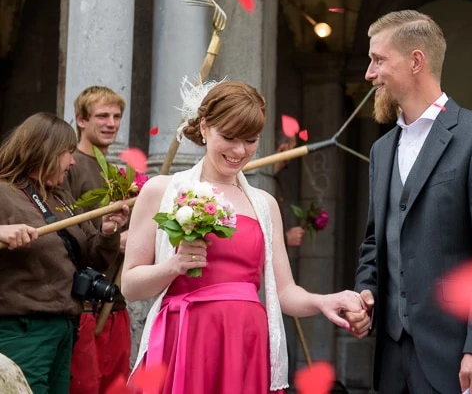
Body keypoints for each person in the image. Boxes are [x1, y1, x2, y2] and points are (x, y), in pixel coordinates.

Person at [121, 80, 364, 393]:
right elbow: (129, 286)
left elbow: (285, 292)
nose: (239, 151)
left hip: (245, 340)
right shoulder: (162, 190)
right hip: (187, 336)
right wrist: (174, 265)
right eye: (229, 137)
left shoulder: (264, 204)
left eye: (250, 140)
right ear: (205, 128)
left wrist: (326, 300)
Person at [345, 10, 472, 394]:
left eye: (379, 60)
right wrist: (366, 296)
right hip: (393, 364)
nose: (369, 74)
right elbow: (376, 243)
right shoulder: (381, 150)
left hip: (463, 358)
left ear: (415, 61)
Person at [0, 112, 128, 394]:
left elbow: (94, 257)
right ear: (42, 151)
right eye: (66, 153)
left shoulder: (60, 197)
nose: (72, 162)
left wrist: (107, 232)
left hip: (65, 328)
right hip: (22, 330)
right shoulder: (3, 192)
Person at [61, 86, 130, 394]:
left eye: (116, 116)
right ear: (81, 120)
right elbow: (66, 231)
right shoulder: (69, 166)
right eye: (102, 115)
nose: (111, 123)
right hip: (85, 305)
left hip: (115, 301)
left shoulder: (115, 174)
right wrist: (115, 239)